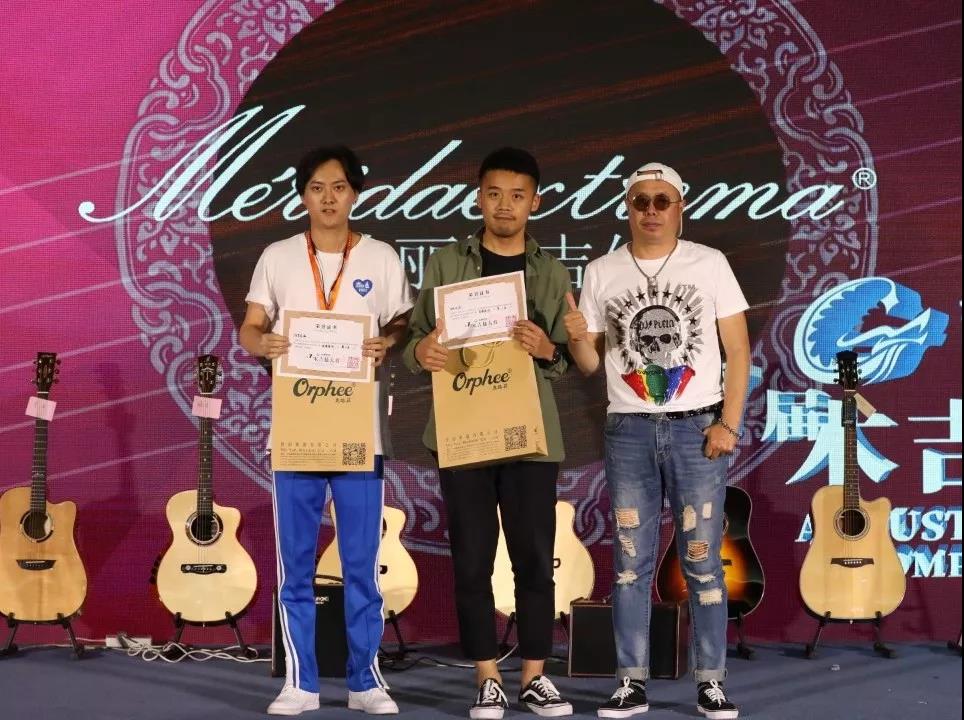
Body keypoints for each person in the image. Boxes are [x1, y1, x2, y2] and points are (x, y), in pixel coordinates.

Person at [565, 163, 750, 720]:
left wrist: (728, 423)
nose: (650, 210)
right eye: (640, 201)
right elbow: (591, 363)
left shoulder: (708, 263)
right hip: (629, 429)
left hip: (696, 428)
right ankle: (630, 681)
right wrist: (575, 339)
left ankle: (711, 681)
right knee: (629, 562)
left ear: (679, 207)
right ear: (627, 207)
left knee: (703, 560)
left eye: (661, 201)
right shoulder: (602, 270)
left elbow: (738, 350)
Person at [240, 145, 413, 716]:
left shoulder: (381, 257)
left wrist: (388, 342)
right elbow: (250, 327)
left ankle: (366, 682)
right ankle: (301, 683)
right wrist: (262, 342)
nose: (328, 198)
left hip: (360, 433)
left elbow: (402, 321)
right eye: (317, 188)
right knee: (295, 565)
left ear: (355, 193)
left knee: (361, 564)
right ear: (303, 196)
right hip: (296, 432)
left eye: (338, 187)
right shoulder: (278, 256)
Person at [403, 148, 573, 719]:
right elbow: (415, 340)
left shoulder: (552, 271)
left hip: (531, 437)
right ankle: (486, 679)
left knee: (535, 559)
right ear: (479, 197)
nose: (505, 205)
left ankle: (534, 677)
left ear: (535, 202)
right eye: (494, 194)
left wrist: (547, 348)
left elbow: (562, 360)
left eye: (517, 195)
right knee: (473, 561)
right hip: (464, 432)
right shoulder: (447, 262)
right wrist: (421, 352)